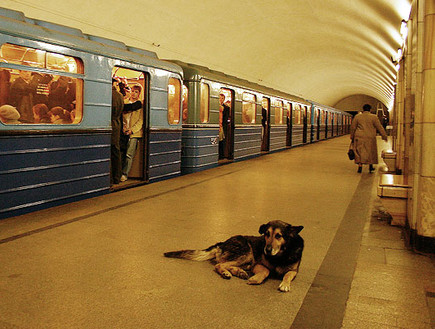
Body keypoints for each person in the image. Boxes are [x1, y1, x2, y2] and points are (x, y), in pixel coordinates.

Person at [350, 104, 388, 173]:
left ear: (363, 109)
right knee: (371, 151)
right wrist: (384, 135)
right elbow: (379, 127)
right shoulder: (374, 117)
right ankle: (370, 166)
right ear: (370, 109)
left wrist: (352, 136)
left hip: (359, 136)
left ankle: (360, 166)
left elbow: (353, 127)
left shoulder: (357, 117)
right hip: (370, 137)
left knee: (359, 151)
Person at [120, 84, 143, 182]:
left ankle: (125, 174)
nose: (134, 93)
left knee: (129, 154)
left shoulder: (140, 105)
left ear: (139, 94)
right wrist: (123, 127)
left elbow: (140, 121)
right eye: (133, 91)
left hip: (134, 133)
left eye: (136, 92)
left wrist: (132, 130)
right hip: (123, 131)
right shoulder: (124, 102)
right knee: (121, 153)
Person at [110, 78, 125, 185]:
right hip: (117, 124)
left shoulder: (108, 94)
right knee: (116, 151)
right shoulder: (119, 95)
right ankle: (117, 177)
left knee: (109, 151)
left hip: (110, 123)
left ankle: (111, 178)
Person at [218, 93, 230, 159]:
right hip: (219, 125)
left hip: (222, 126)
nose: (221, 99)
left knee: (222, 141)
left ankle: (222, 155)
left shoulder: (226, 108)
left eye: (222, 98)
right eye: (220, 98)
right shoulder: (217, 106)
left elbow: (226, 118)